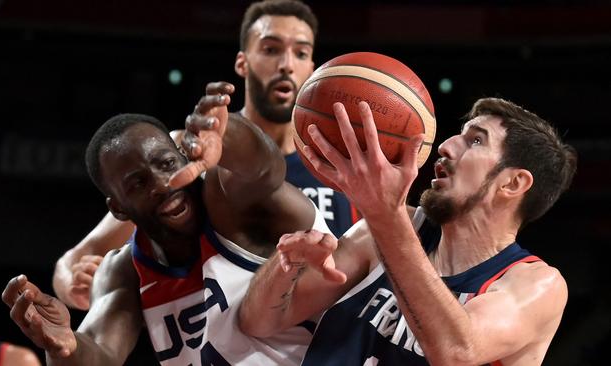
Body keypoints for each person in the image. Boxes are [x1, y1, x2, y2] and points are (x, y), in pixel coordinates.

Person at [52, 0, 357, 311]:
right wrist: (72, 283)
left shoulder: (339, 163)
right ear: (243, 62)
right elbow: (77, 257)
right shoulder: (184, 149)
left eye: (301, 53)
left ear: (312, 67)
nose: (287, 64)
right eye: (270, 49)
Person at [2, 81, 330, 365]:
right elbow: (99, 352)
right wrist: (64, 349)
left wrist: (227, 134)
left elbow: (265, 170)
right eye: (138, 184)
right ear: (118, 208)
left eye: (167, 163)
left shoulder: (227, 199)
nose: (162, 183)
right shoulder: (124, 271)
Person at [239, 98, 577, 365]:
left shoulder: (536, 285)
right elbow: (257, 322)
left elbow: (457, 351)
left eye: (475, 140)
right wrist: (284, 269)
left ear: (513, 183)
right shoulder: (384, 232)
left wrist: (385, 212)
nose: (445, 145)